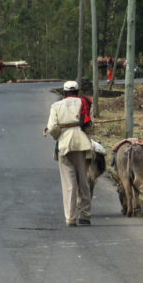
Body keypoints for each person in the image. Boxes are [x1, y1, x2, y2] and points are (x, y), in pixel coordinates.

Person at [44, 80, 94, 227]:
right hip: (82, 144)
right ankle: (85, 215)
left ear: (64, 93)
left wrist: (60, 135)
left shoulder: (56, 106)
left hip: (64, 145)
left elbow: (52, 127)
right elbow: (91, 124)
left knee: (69, 184)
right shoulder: (84, 103)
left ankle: (70, 218)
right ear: (77, 92)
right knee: (83, 181)